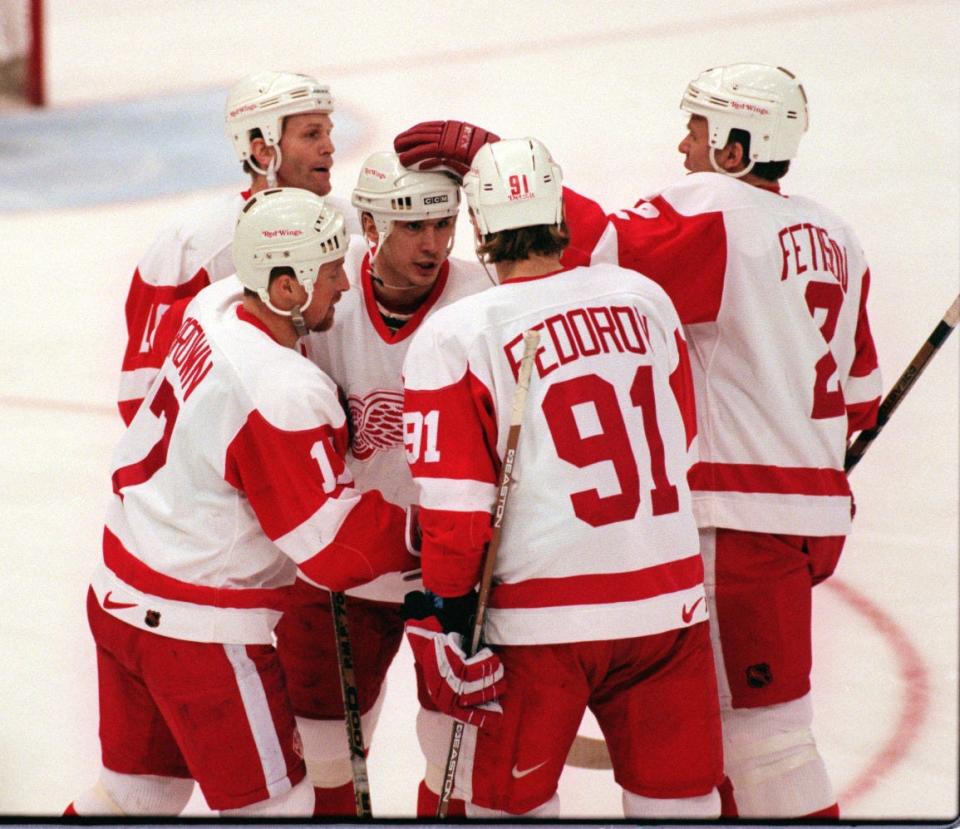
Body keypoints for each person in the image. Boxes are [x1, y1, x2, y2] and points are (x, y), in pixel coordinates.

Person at [395, 64, 882, 818]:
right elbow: (862, 397)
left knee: (762, 749)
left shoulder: (716, 212)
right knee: (743, 747)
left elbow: (597, 244)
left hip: (729, 528)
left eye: (697, 127)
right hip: (803, 521)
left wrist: (492, 157)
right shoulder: (837, 235)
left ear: (735, 144)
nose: (682, 143)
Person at [67, 188, 418, 817]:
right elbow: (331, 550)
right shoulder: (281, 390)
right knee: (278, 810)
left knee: (135, 798)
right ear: (285, 289)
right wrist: (432, 529)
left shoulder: (216, 303)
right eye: (330, 270)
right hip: (198, 634)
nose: (346, 283)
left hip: (120, 593)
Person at [400, 137, 724, 818]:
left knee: (507, 807)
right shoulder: (644, 297)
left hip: (541, 622)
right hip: (667, 601)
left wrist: (452, 617)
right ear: (559, 213)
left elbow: (458, 514)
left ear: (482, 230)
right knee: (681, 804)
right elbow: (682, 438)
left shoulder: (458, 332)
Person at [286, 151, 492, 816]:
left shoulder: (484, 295)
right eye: (413, 228)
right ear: (369, 225)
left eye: (443, 222)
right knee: (319, 774)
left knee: (457, 771)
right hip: (343, 569)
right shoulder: (325, 284)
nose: (432, 243)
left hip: (457, 575)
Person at [118, 70, 357, 424]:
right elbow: (144, 390)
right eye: (311, 134)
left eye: (328, 132)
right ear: (263, 150)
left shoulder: (353, 228)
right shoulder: (196, 244)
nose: (329, 146)